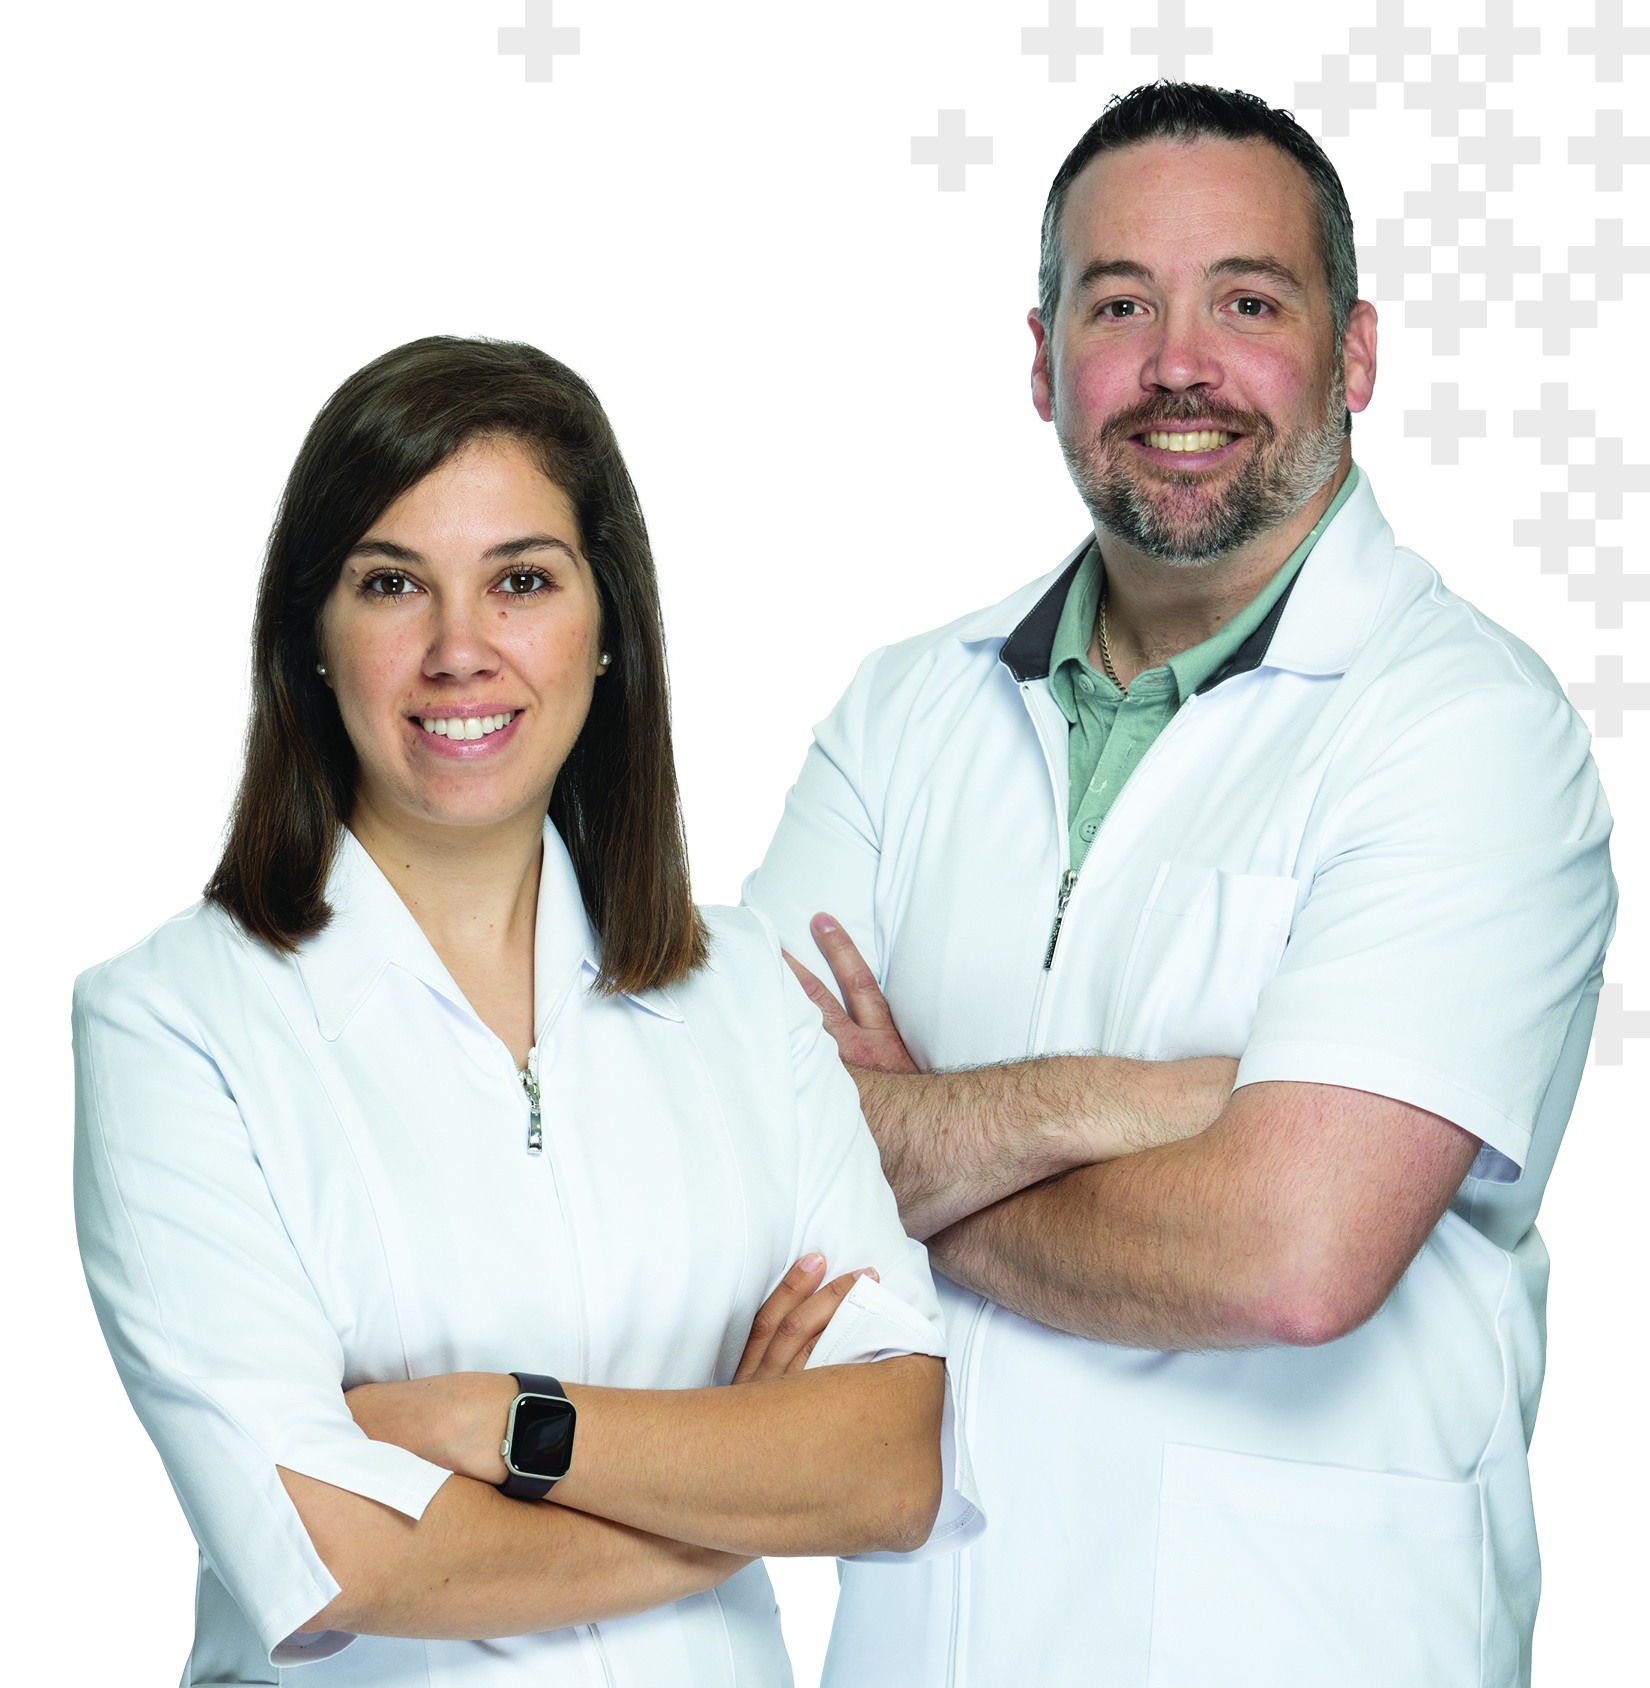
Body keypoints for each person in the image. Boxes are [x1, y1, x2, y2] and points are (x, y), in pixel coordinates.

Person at [744, 83, 1615, 1688]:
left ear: (1354, 354)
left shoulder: (1463, 730)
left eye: (1247, 302)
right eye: (1119, 304)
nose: (1178, 365)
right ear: (1041, 360)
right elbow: (731, 1160)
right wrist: (1150, 1102)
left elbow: (1288, 1255)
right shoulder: (903, 711)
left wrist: (904, 1155)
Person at [73, 336, 980, 1687]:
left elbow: (894, 1461)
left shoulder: (741, 991)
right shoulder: (171, 1026)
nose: (460, 651)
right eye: (393, 584)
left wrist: (508, 1424)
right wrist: (736, 1481)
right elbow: (342, 1557)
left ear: (607, 630)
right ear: (310, 637)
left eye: (521, 581)